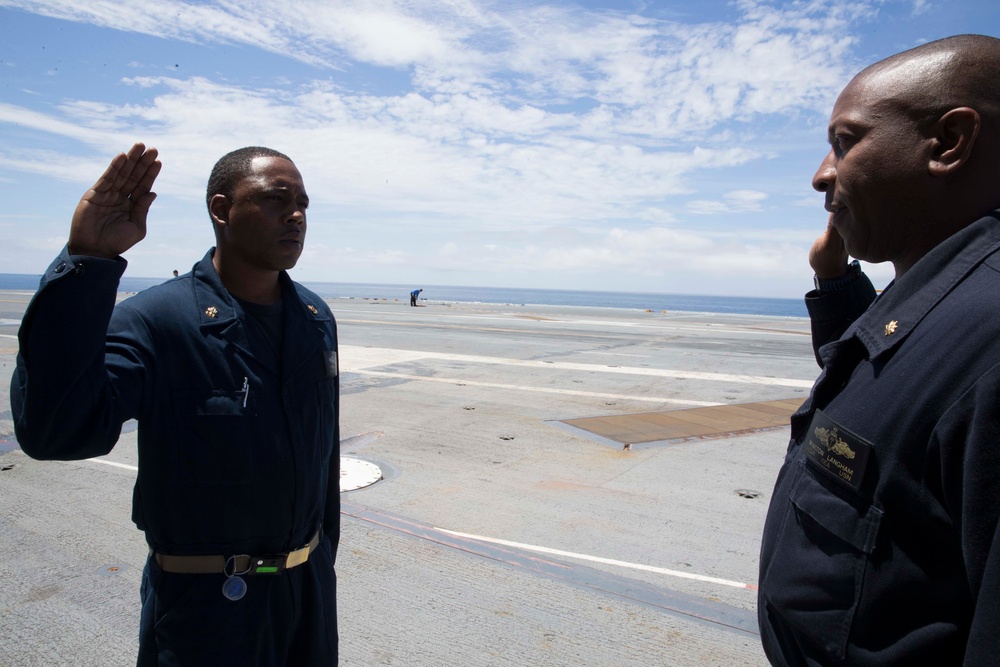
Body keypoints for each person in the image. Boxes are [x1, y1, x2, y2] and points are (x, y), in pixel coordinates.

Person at [10, 144, 340, 665]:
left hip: (308, 596)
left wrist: (321, 563)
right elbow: (57, 432)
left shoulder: (315, 317)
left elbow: (324, 465)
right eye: (277, 199)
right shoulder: (156, 321)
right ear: (221, 209)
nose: (296, 214)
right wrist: (88, 262)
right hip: (208, 610)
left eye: (302, 202)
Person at [758, 34, 1000, 665]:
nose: (821, 174)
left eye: (846, 140)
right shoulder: (941, 291)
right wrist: (836, 282)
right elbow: (881, 379)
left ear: (948, 143)